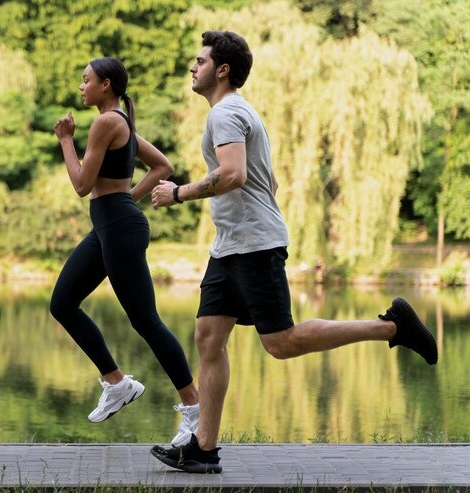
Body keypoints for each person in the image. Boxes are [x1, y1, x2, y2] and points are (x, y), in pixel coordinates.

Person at [149, 31, 438, 473]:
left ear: (222, 70)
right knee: (208, 336)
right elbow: (270, 181)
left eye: (200, 61)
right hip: (231, 245)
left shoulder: (226, 113)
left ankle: (392, 327)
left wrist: (178, 193)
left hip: (253, 245)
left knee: (281, 343)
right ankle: (204, 447)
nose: (193, 66)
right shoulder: (238, 111)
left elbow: (233, 174)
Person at [51, 57, 200, 446]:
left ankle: (195, 408)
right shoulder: (122, 124)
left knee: (146, 321)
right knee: (62, 303)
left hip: (118, 228)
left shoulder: (106, 122)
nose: (81, 86)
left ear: (106, 85)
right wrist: (126, 200)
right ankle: (117, 383)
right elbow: (162, 166)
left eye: (86, 80)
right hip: (109, 226)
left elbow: (82, 184)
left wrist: (65, 140)